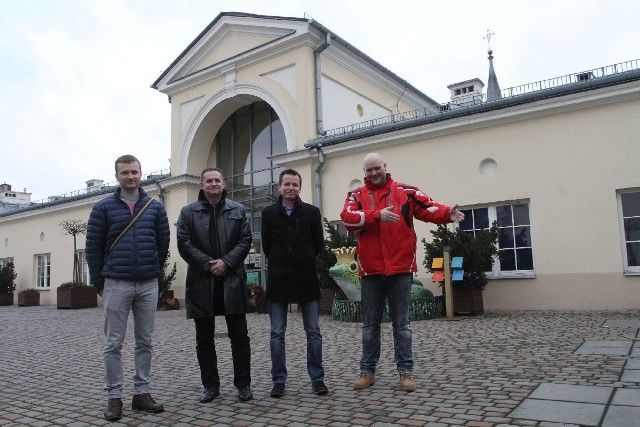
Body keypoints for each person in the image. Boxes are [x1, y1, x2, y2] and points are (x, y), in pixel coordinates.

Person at [340, 153, 465, 392]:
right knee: (369, 325)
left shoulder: (406, 191)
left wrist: (447, 213)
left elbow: (429, 208)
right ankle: (367, 372)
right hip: (371, 271)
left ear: (385, 167)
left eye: (377, 168)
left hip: (401, 269)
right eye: (369, 170)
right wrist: (377, 216)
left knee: (402, 324)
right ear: (364, 172)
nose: (374, 173)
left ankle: (406, 373)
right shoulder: (355, 195)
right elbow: (347, 219)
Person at [86, 154, 170, 421]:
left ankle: (141, 393)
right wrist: (100, 282)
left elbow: (163, 244)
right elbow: (93, 249)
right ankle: (114, 396)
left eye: (134, 172)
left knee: (145, 342)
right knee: (113, 343)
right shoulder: (102, 208)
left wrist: (154, 272)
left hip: (147, 283)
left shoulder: (155, 208)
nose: (131, 177)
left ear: (141, 173)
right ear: (117, 176)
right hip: (115, 283)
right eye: (125, 173)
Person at [176, 167, 254, 403]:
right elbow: (183, 242)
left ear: (224, 184)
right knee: (204, 340)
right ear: (201, 185)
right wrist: (208, 264)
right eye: (208, 181)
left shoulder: (237, 210)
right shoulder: (188, 212)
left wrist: (227, 262)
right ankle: (210, 385)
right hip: (202, 281)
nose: (213, 184)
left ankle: (244, 384)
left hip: (232, 280)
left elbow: (246, 239)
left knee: (240, 337)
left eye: (217, 180)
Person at [261, 169, 329, 398]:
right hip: (279, 279)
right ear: (279, 187)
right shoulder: (269, 213)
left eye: (295, 184)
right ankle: (279, 379)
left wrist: (302, 258)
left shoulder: (311, 212)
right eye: (286, 184)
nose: (291, 188)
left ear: (300, 187)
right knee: (276, 333)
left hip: (306, 278)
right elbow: (267, 246)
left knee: (313, 332)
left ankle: (317, 378)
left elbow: (318, 244)